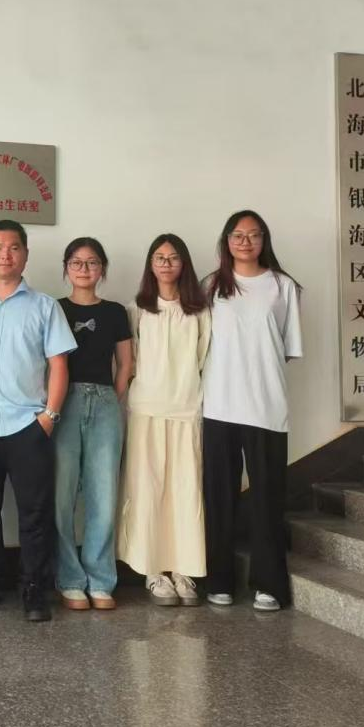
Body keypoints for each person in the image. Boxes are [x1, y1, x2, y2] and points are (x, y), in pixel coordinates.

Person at [0, 220, 77, 622]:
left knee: (34, 514)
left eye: (14, 247)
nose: (5, 254)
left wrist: (49, 416)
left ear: (25, 254)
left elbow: (59, 365)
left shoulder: (45, 306)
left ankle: (35, 590)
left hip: (28, 427)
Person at [201, 210, 302, 611]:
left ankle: (269, 584)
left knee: (267, 499)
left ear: (264, 240)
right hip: (219, 405)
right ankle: (219, 581)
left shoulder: (283, 286)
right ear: (226, 241)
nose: (245, 242)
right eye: (237, 235)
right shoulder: (211, 286)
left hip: (265, 406)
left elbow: (287, 349)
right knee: (219, 499)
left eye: (254, 235)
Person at [117, 234, 210, 606]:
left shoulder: (200, 311)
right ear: (150, 265)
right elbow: (129, 362)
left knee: (186, 491)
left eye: (173, 257)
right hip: (146, 410)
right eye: (159, 257)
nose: (166, 264)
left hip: (187, 409)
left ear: (184, 263)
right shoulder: (136, 310)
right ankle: (153, 570)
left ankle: (184, 569)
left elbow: (204, 357)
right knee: (146, 490)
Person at [53, 237, 132, 612]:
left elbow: (126, 363)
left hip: (104, 404)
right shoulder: (54, 308)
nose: (84, 269)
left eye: (92, 262)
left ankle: (101, 580)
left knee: (104, 494)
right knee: (61, 495)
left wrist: (111, 398)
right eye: (76, 262)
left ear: (102, 269)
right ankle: (69, 579)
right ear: (66, 268)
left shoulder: (116, 312)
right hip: (63, 403)